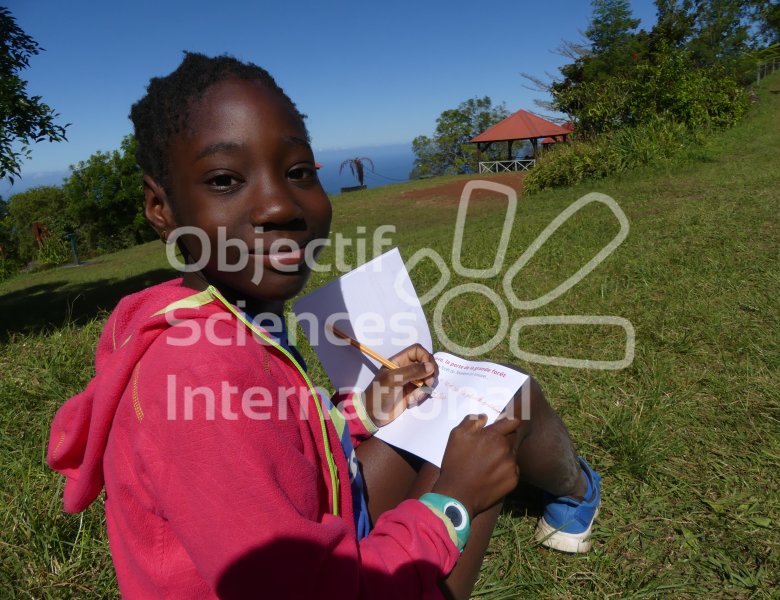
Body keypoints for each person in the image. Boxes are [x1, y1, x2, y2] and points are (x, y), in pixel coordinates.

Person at [47, 52, 600, 600]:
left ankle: (569, 492)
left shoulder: (206, 313)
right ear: (160, 207)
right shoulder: (198, 375)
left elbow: (280, 447)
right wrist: (454, 498)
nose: (279, 205)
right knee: (506, 405)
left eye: (298, 172)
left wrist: (366, 411)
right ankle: (576, 495)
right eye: (224, 179)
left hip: (320, 530)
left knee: (496, 392)